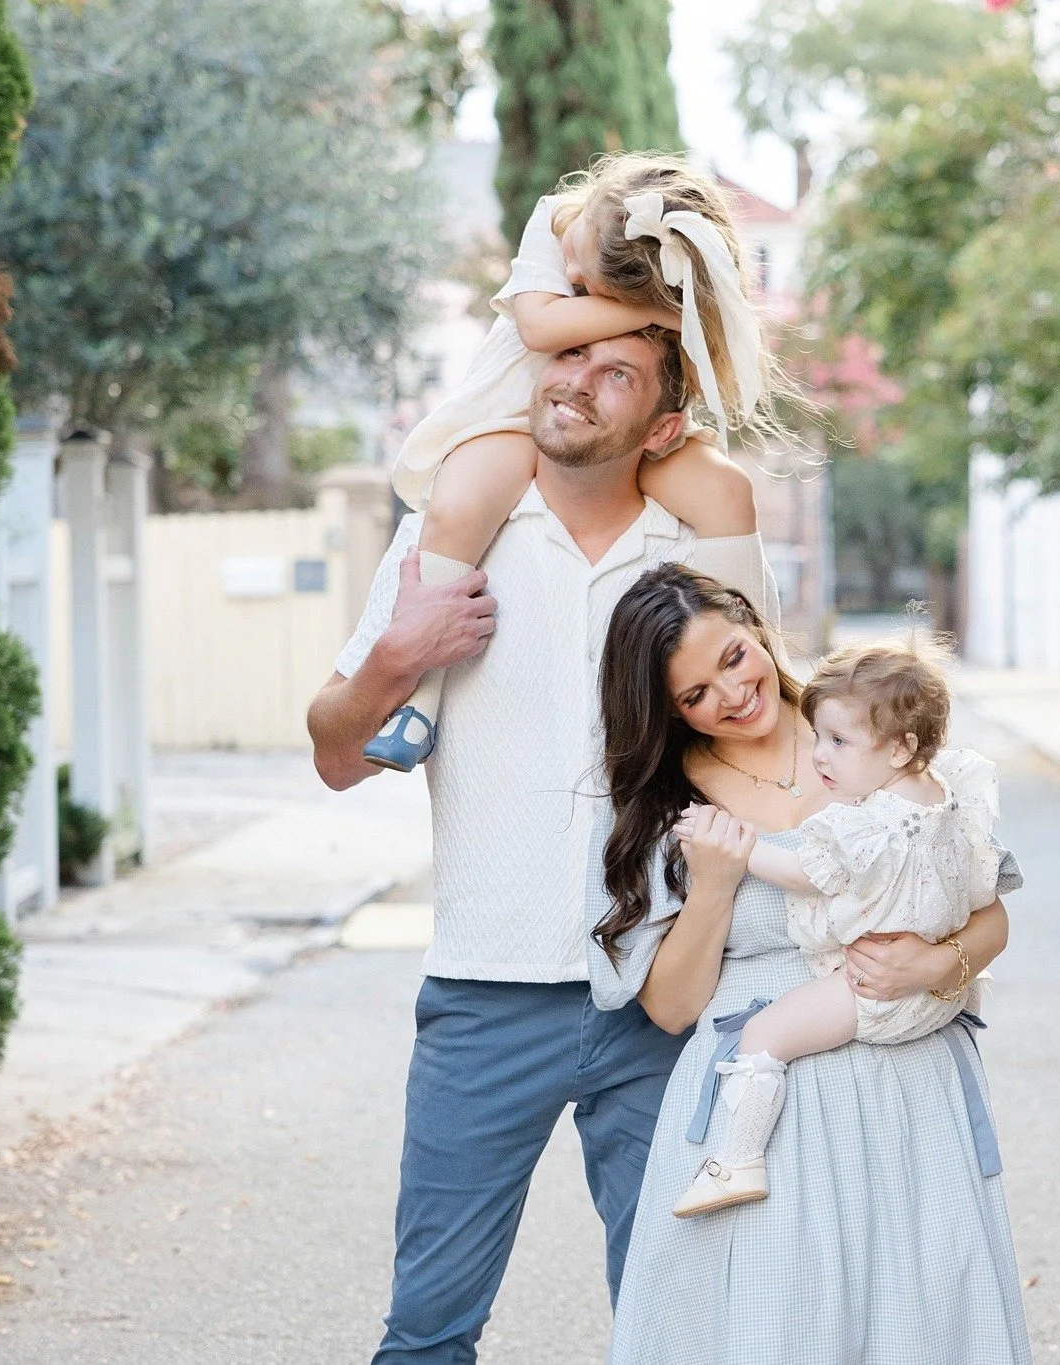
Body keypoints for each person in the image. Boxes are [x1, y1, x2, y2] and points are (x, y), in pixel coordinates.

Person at [307, 328, 778, 1364]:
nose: (573, 381)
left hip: (662, 1001)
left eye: (616, 372)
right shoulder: (454, 539)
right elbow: (336, 755)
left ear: (662, 425)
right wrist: (396, 658)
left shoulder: (692, 557)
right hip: (485, 1000)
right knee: (427, 1334)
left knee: (683, 1328)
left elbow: (772, 741)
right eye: (566, 359)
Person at [586, 565, 1032, 1365]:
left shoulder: (877, 726)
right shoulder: (668, 806)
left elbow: (988, 910)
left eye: (731, 657)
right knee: (775, 1326)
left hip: (907, 1087)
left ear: (755, 629)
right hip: (765, 1114)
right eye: (693, 694)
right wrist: (715, 886)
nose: (728, 694)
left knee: (917, 1320)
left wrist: (933, 962)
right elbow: (670, 1007)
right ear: (669, 711)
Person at [364, 151, 799, 771]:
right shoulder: (554, 222)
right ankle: (421, 704)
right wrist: (654, 313)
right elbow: (540, 329)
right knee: (462, 503)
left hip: (622, 430)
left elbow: (697, 380)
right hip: (515, 415)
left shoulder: (662, 287)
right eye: (581, 267)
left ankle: (757, 678)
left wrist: (675, 324)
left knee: (728, 493)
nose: (567, 271)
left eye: (585, 281)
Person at [669, 638, 1011, 1218]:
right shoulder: (948, 798)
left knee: (763, 1038)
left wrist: (737, 848)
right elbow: (983, 887)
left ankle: (738, 1158)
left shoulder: (865, 823)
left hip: (876, 992)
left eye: (837, 742)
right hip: (935, 1006)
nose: (820, 756)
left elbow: (805, 872)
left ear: (902, 748)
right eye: (820, 738)